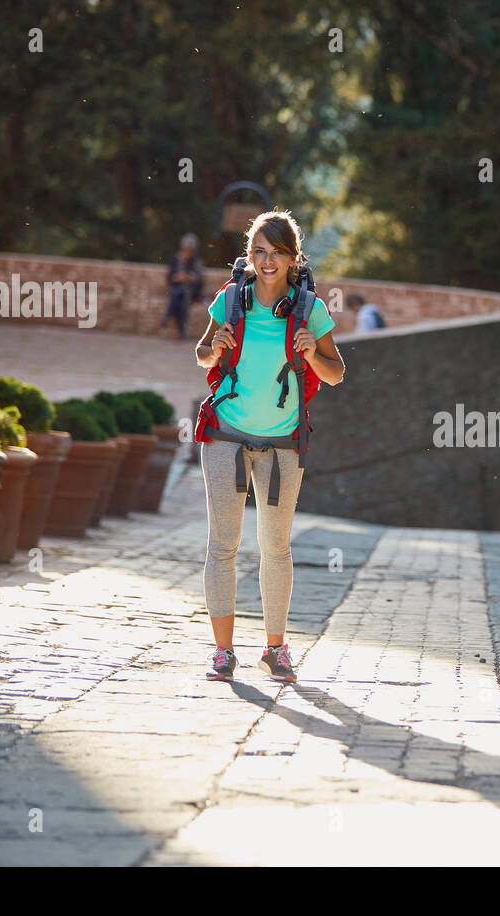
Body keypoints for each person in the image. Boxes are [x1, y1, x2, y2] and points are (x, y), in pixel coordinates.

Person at [195, 210, 345, 684]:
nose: (266, 260)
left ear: (291, 258)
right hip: (225, 435)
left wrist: (311, 352)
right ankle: (223, 653)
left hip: (283, 443)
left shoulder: (309, 310)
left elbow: (335, 373)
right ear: (249, 254)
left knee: (275, 547)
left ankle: (275, 651)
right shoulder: (230, 301)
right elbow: (201, 354)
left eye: (276, 252)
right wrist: (214, 348)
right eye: (259, 250)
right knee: (224, 544)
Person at [160, 234, 204, 340]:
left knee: (179, 295)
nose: (188, 252)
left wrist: (190, 278)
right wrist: (178, 277)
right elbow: (170, 278)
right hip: (179, 290)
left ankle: (167, 316)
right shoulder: (176, 259)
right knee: (179, 298)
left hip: (191, 291)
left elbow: (199, 280)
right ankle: (181, 332)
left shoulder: (196, 261)